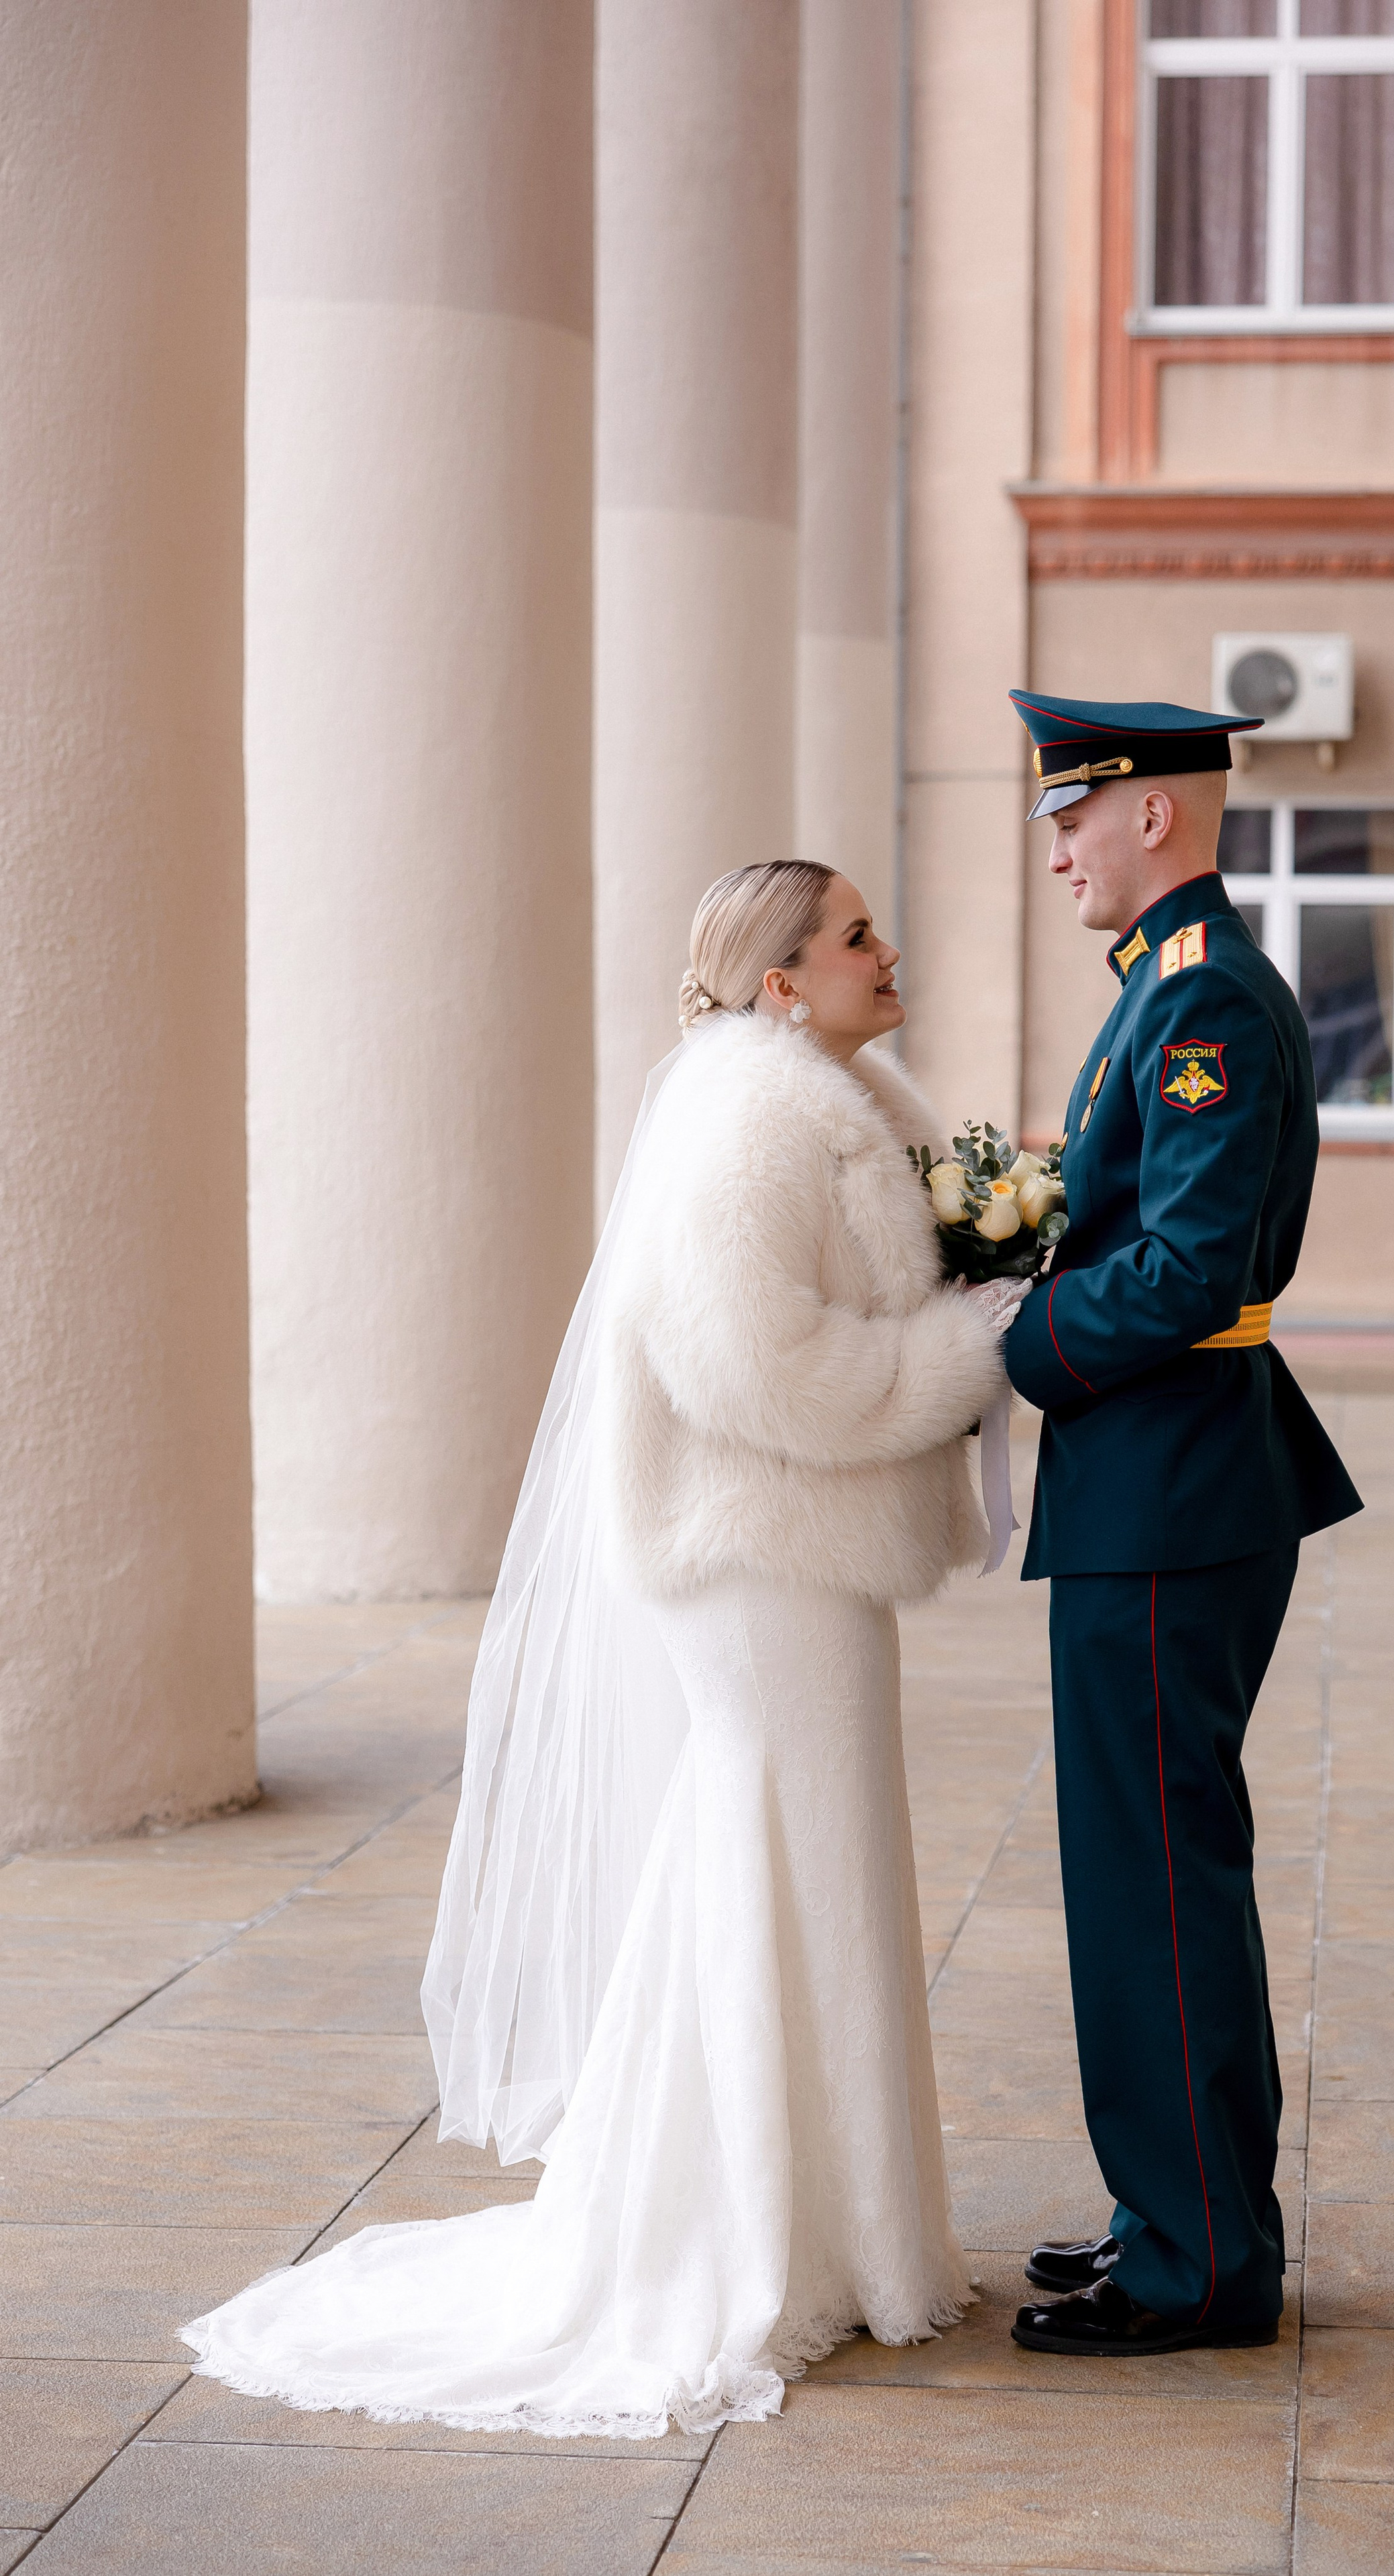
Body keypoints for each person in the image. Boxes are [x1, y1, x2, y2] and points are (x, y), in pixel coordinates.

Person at [182, 860, 1028, 2440]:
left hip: (800, 1546)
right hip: (753, 1550)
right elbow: (740, 1355)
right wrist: (948, 1353)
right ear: (780, 980)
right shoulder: (749, 1114)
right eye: (853, 934)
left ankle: (823, 2225)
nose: (884, 946)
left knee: (806, 1861)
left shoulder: (832, 1094)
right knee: (780, 1856)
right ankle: (739, 2242)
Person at [1000, 691, 1363, 2358]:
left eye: (1074, 812)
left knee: (1153, 1879)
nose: (1057, 843)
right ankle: (1179, 2209)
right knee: (1149, 1867)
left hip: (1174, 1482)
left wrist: (1007, 1347)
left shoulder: (1200, 993)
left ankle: (1201, 2261)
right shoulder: (1160, 986)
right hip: (1162, 1478)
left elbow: (1189, 1268)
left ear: (1153, 810)